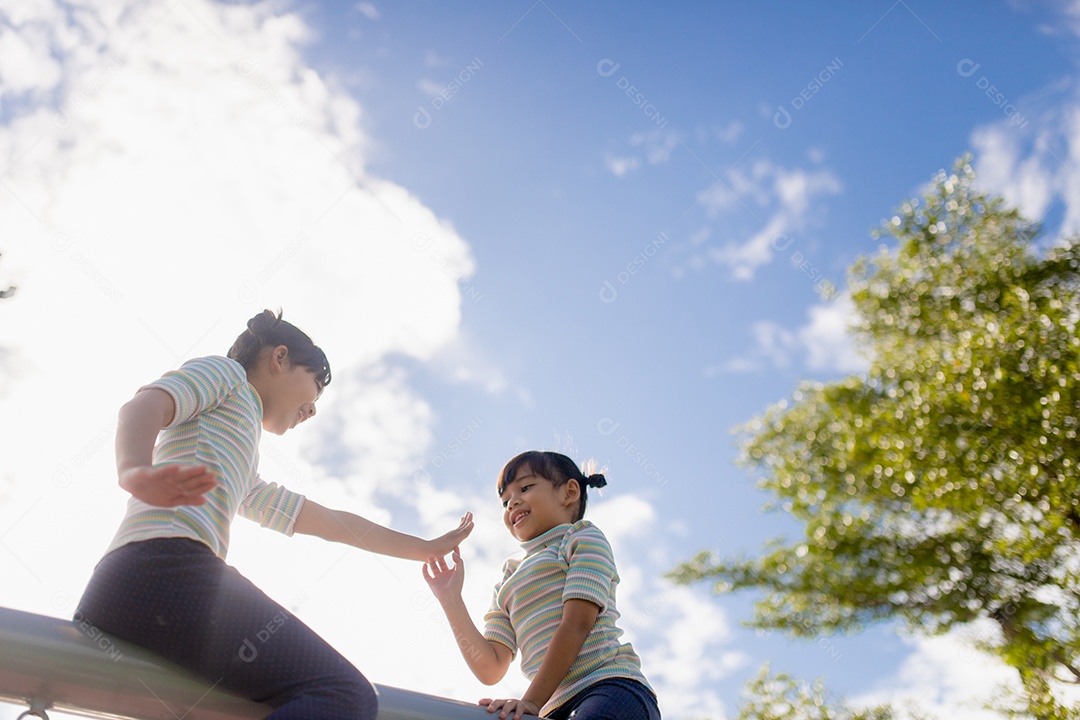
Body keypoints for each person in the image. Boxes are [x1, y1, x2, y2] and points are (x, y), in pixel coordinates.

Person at [75, 309, 473, 720]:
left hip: (131, 589)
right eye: (315, 386)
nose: (313, 410)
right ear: (279, 358)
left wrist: (423, 548)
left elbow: (329, 523)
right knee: (343, 694)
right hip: (164, 570)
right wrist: (134, 470)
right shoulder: (227, 375)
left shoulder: (241, 463)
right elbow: (143, 406)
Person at [422, 450, 660, 720]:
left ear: (569, 492)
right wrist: (451, 599)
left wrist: (532, 702)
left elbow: (577, 624)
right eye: (504, 501)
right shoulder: (509, 578)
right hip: (552, 706)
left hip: (608, 686)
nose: (512, 503)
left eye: (525, 487)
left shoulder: (581, 538)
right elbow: (491, 667)